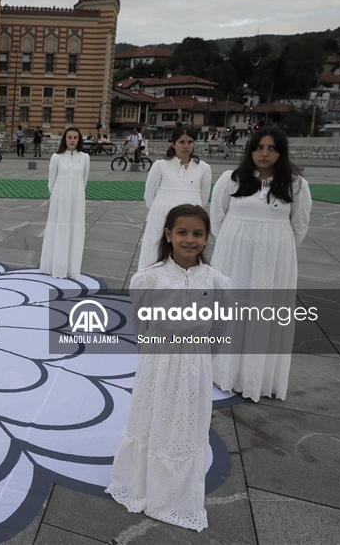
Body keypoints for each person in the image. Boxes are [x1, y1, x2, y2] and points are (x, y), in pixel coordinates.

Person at [107, 204, 230, 532]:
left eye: (198, 233)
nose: (190, 239)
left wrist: (198, 356)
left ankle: (174, 493)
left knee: (186, 423)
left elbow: (220, 328)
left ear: (207, 237)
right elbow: (141, 325)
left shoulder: (217, 281)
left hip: (195, 365)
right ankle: (140, 483)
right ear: (168, 234)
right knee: (152, 416)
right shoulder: (148, 278)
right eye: (182, 232)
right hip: (157, 363)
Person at [210, 127, 311, 401]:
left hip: (272, 263)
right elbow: (217, 220)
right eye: (259, 147)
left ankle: (256, 377)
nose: (264, 154)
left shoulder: (296, 185)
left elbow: (299, 228)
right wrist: (238, 243)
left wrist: (272, 248)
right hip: (234, 259)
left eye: (272, 148)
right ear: (250, 150)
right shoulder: (230, 180)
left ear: (281, 152)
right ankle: (223, 371)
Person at [137, 128, 213, 271]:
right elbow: (149, 195)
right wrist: (161, 211)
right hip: (161, 219)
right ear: (173, 144)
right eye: (182, 142)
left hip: (189, 220)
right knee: (156, 254)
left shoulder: (203, 168)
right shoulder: (161, 165)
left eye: (190, 142)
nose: (186, 146)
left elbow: (203, 197)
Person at [40, 127, 90, 279]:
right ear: (65, 139)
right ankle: (55, 266)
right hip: (60, 197)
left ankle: (71, 268)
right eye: (69, 137)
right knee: (59, 227)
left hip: (77, 197)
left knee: (74, 227)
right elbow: (51, 180)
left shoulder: (85, 157)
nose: (72, 140)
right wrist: (56, 195)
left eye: (75, 137)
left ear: (79, 139)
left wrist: (76, 194)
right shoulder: (56, 157)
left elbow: (84, 180)